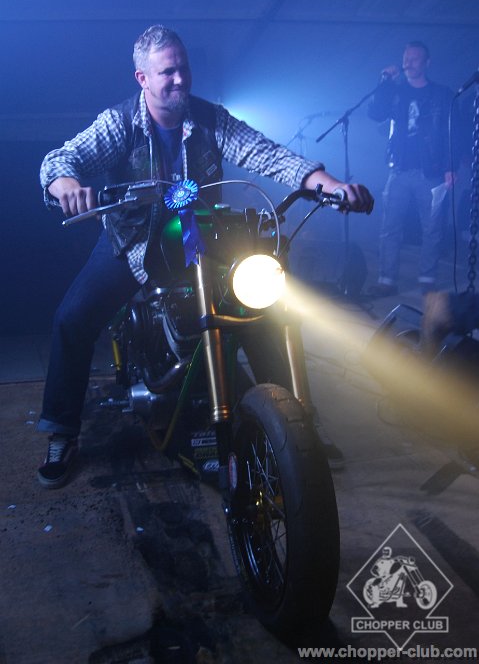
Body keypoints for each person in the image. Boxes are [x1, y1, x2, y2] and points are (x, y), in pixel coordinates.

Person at [37, 24, 374, 488]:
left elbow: (269, 155)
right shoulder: (120, 124)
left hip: (201, 238)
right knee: (72, 318)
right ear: (142, 79)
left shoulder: (211, 119)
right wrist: (67, 186)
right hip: (133, 242)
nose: (179, 79)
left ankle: (296, 429)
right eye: (167, 72)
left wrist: (330, 186)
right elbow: (60, 160)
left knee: (264, 313)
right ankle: (62, 432)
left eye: (184, 68)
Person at [368, 41, 455, 297]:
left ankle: (428, 280)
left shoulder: (442, 95)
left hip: (432, 171)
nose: (409, 63)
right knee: (390, 227)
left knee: (432, 228)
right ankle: (386, 280)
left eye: (415, 58)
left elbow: (453, 131)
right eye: (406, 58)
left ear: (427, 63)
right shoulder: (396, 92)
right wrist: (384, 82)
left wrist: (450, 166)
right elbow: (376, 113)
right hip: (399, 169)